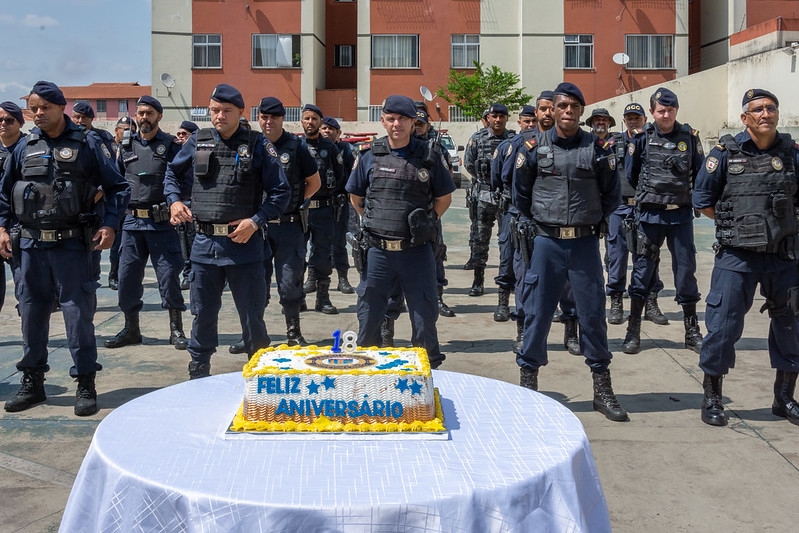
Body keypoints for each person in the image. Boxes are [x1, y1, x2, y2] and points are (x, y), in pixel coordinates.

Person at [0, 81, 130, 415]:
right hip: (29, 246)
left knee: (77, 315)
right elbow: (5, 192)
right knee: (30, 314)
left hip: (73, 245)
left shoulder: (87, 143)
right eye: (34, 108)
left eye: (45, 107)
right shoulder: (24, 146)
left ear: (62, 107)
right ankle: (33, 383)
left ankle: (85, 382)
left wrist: (109, 223)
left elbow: (117, 188)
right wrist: (2, 227)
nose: (38, 114)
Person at [513, 82, 627, 422]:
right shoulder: (532, 147)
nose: (566, 111)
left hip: (583, 243)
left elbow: (611, 194)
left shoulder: (598, 148)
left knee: (592, 314)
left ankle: (602, 388)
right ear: (552, 108)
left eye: (573, 107)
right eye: (561, 105)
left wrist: (595, 222)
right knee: (537, 312)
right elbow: (520, 195)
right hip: (546, 242)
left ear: (581, 111)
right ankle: (528, 384)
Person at [164, 84, 290, 379]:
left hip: (243, 245)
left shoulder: (258, 145)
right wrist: (173, 202)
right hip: (204, 243)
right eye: (214, 111)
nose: (219, 116)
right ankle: (199, 367)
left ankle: (258, 369)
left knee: (252, 316)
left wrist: (256, 221)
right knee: (202, 312)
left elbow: (281, 193)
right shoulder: (198, 141)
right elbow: (172, 173)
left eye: (226, 111)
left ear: (240, 112)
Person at [693, 88, 799, 427]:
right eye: (757, 109)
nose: (765, 114)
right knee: (722, 326)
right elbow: (703, 199)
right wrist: (739, 226)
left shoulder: (793, 154)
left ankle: (783, 398)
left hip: (784, 257)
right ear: (745, 118)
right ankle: (712, 397)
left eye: (771, 108)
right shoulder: (724, 154)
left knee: (791, 326)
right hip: (737, 257)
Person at [346, 95, 455, 369]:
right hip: (378, 253)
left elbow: (444, 198)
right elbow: (356, 197)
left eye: (403, 119)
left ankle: (428, 373)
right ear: (383, 120)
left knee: (423, 316)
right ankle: (366, 372)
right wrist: (376, 223)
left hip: (416, 253)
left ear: (412, 122)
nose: (397, 124)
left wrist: (425, 224)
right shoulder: (369, 155)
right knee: (370, 315)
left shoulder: (429, 156)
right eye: (391, 118)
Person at [623, 88, 705, 355]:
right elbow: (631, 174)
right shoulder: (642, 139)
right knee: (642, 271)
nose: (666, 114)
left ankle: (692, 331)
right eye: (661, 111)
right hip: (650, 214)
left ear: (677, 110)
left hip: (680, 214)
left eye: (670, 110)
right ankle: (633, 330)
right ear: (653, 113)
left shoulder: (690, 138)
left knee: (685, 271)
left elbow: (700, 172)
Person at [103, 95, 188, 351]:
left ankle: (176, 330)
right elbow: (115, 183)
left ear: (159, 116)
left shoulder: (172, 146)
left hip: (161, 224)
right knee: (127, 277)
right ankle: (131, 329)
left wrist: (179, 204)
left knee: (169, 277)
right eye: (140, 113)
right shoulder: (125, 147)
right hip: (131, 225)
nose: (143, 118)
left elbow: (185, 181)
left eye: (149, 113)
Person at [250, 96, 320, 347]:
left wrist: (292, 201)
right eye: (264, 117)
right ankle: (254, 336)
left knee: (290, 284)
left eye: (274, 117)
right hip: (258, 227)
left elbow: (314, 182)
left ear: (283, 118)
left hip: (289, 225)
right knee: (254, 283)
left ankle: (293, 333)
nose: (268, 122)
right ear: (258, 118)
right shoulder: (252, 145)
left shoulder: (296, 146)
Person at [603, 103, 667, 326]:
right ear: (624, 120)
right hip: (619, 208)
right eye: (629, 118)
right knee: (616, 257)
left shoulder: (654, 142)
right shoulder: (613, 143)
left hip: (645, 208)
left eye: (637, 118)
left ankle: (650, 302)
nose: (633, 121)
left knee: (648, 257)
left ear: (644, 119)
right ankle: (617, 301)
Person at [490, 104, 537, 323]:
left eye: (533, 121)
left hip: (538, 211)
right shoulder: (511, 145)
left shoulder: (545, 144)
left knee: (536, 261)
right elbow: (497, 177)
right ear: (519, 123)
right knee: (508, 256)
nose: (530, 125)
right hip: (512, 209)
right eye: (526, 121)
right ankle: (503, 302)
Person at [463, 103, 515, 296]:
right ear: (489, 118)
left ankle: (507, 280)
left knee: (508, 240)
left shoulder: (513, 139)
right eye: (494, 116)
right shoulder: (478, 139)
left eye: (502, 116)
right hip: (484, 196)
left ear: (506, 118)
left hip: (506, 196)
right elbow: (469, 164)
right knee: (480, 240)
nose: (498, 120)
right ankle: (478, 281)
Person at [299, 104, 344, 314]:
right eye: (307, 118)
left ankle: (322, 298)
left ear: (320, 122)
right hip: (300, 211)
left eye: (314, 119)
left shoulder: (330, 147)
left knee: (323, 255)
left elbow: (340, 174)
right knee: (297, 254)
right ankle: (297, 297)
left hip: (324, 209)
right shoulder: (295, 146)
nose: (310, 122)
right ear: (302, 121)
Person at [319, 115, 356, 294]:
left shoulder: (345, 150)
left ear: (338, 132)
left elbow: (353, 175)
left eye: (330, 129)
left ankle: (343, 278)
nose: (326, 131)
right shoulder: (313, 148)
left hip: (339, 204)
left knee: (339, 242)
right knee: (317, 244)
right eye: (324, 128)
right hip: (317, 204)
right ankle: (314, 279)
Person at [0, 102, 26, 316]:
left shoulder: (30, 148)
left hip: (20, 225)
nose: (3, 124)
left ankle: (32, 335)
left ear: (20, 122)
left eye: (9, 120)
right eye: (0, 120)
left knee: (25, 285)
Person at [174, 120, 199, 291]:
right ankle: (187, 274)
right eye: (180, 134)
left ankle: (192, 274)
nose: (181, 137)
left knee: (194, 241)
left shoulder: (200, 153)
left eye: (185, 134)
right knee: (182, 242)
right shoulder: (177, 155)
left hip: (197, 205)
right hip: (180, 205)